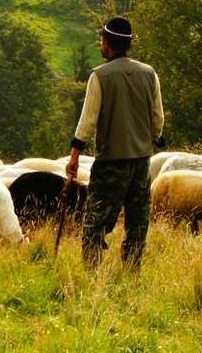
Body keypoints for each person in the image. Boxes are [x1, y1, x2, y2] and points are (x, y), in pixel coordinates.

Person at [66, 16, 165, 268]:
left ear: (108, 43)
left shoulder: (100, 76)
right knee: (137, 221)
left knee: (95, 221)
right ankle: (132, 270)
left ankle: (93, 273)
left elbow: (87, 121)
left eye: (101, 39)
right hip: (142, 161)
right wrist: (152, 139)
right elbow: (157, 118)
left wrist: (75, 154)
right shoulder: (149, 73)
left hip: (111, 162)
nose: (100, 43)